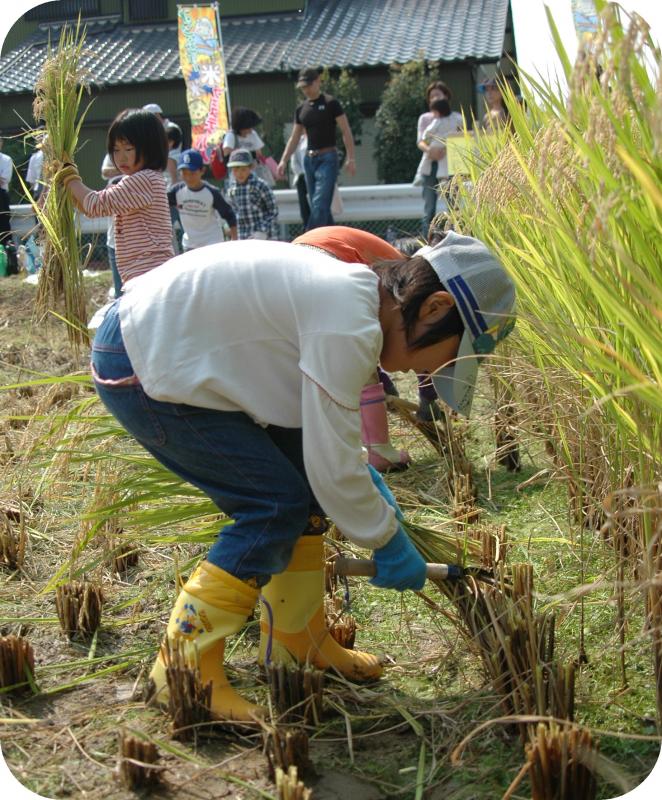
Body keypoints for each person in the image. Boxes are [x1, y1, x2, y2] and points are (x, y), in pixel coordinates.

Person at [87, 231, 516, 721]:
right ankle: (183, 673)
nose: (428, 375)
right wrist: (387, 539)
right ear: (435, 308)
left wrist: (358, 484)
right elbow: (334, 471)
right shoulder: (349, 322)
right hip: (143, 360)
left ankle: (296, 640)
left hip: (168, 343)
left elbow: (328, 448)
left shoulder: (354, 303)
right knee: (272, 507)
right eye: (443, 359)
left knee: (304, 494)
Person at [293, 225, 412, 470]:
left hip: (296, 264)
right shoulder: (407, 279)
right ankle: (378, 450)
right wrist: (428, 398)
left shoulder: (396, 265)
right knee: (362, 357)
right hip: (330, 261)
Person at [57, 108, 174, 286]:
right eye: (116, 150)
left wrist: (69, 177)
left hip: (149, 274)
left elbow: (95, 204)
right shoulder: (138, 179)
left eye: (128, 148)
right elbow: (93, 209)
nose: (121, 157)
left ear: (150, 147)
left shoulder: (144, 180)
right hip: (143, 274)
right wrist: (70, 191)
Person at [277, 67, 356, 230]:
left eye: (308, 85)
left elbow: (346, 130)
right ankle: (332, 244)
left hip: (328, 157)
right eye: (303, 87)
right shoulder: (301, 109)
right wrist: (283, 160)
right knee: (319, 206)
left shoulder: (331, 103)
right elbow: (295, 137)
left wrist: (351, 158)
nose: (306, 90)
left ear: (317, 82)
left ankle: (309, 239)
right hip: (308, 159)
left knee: (320, 203)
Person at [417, 81, 463, 237]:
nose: (435, 98)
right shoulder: (425, 118)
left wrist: (445, 148)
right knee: (429, 209)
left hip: (451, 165)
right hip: (430, 164)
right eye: (432, 96)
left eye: (438, 94)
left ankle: (456, 240)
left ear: (446, 96)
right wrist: (431, 150)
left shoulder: (457, 117)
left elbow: (462, 138)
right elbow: (421, 141)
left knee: (453, 206)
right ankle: (427, 242)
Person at [168, 148, 237, 251]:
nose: (188, 177)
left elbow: (229, 214)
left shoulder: (212, 192)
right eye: (184, 173)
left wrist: (234, 238)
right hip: (190, 244)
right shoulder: (176, 192)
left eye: (192, 173)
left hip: (212, 243)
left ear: (202, 171)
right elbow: (161, 205)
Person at [227, 148, 279, 240]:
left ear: (251, 167)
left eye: (243, 169)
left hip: (263, 236)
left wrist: (263, 230)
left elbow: (273, 211)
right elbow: (232, 213)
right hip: (242, 236)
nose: (239, 173)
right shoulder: (232, 190)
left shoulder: (260, 186)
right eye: (235, 170)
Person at [413, 98, 463, 187]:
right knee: (444, 164)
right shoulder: (455, 118)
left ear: (439, 111)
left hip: (436, 143)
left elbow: (428, 131)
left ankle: (420, 175)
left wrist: (426, 138)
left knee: (425, 159)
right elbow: (461, 126)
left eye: (434, 112)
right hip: (448, 144)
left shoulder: (437, 121)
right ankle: (443, 181)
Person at [0, 137, 17, 274]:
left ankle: (10, 266)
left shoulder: (6, 159)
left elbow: (4, 180)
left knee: (5, 230)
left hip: (1, 198)